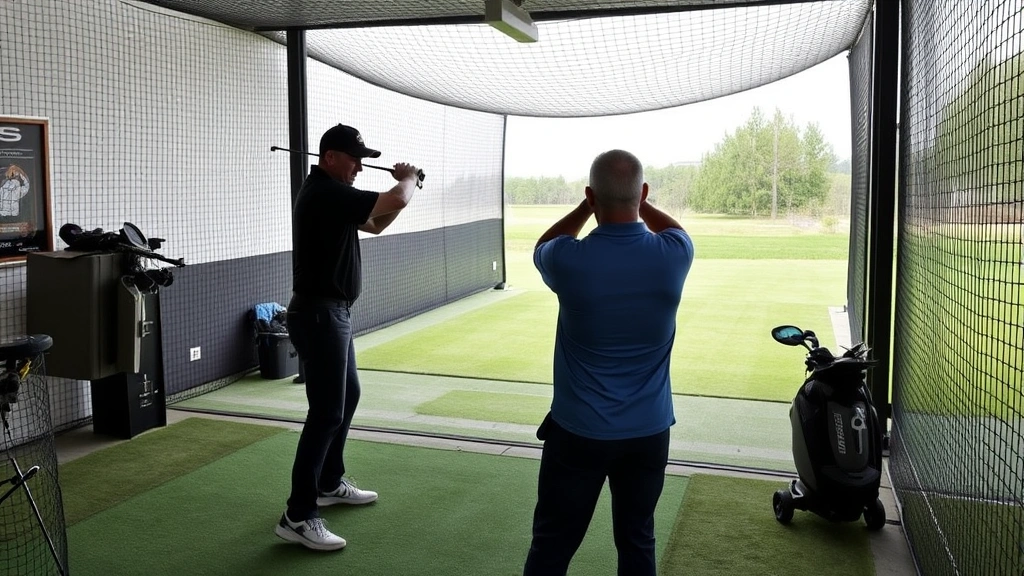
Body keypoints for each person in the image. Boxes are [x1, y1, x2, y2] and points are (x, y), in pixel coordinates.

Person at [523, 149, 695, 576]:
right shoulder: (675, 253)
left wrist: (588, 206)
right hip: (649, 432)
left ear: (590, 195)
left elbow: (544, 244)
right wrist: (636, 200)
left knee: (552, 543)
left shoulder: (568, 259)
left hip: (578, 433)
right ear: (644, 193)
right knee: (638, 539)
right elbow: (674, 229)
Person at [275, 124, 421, 552]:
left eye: (361, 158)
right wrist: (407, 179)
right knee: (325, 413)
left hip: (333, 314)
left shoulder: (333, 196)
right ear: (330, 157)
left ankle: (327, 482)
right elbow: (394, 197)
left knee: (346, 398)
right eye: (353, 158)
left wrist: (405, 190)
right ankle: (298, 515)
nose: (358, 166)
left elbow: (376, 223)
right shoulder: (323, 191)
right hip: (320, 315)